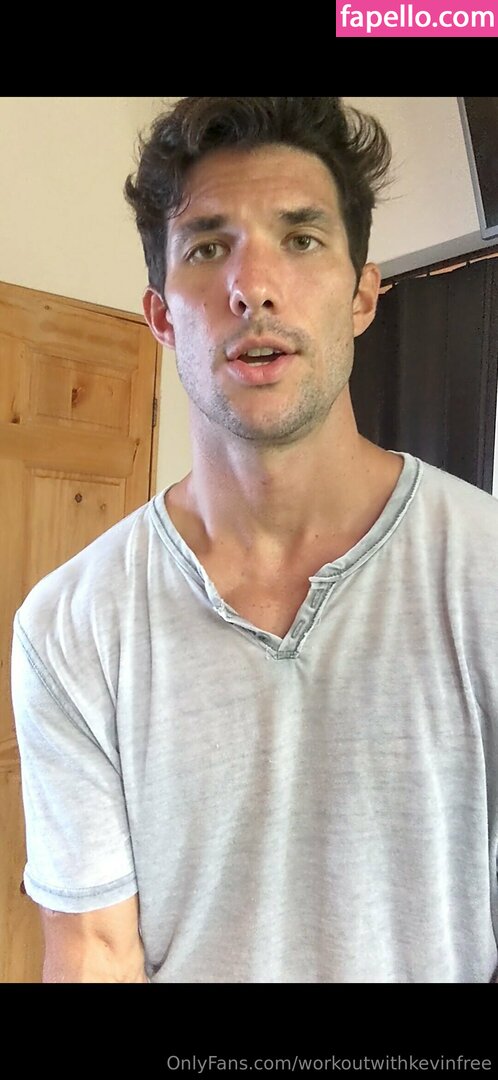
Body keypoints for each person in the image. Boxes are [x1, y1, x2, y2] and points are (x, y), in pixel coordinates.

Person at [11, 97, 498, 984]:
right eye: (208, 247)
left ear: (362, 294)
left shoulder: (485, 574)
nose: (254, 286)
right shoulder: (70, 624)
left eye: (301, 239)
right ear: (161, 317)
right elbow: (93, 953)